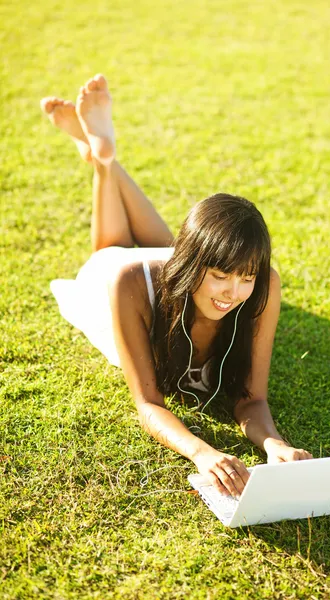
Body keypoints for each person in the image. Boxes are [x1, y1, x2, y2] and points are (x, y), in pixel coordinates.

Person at [41, 74, 313, 501]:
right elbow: (149, 404)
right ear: (196, 266)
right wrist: (202, 453)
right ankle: (103, 160)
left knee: (170, 246)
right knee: (110, 249)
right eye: (222, 275)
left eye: (246, 276)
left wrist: (272, 443)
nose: (233, 292)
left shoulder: (263, 286)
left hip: (177, 264)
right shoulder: (127, 283)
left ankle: (100, 155)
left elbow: (251, 398)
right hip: (114, 281)